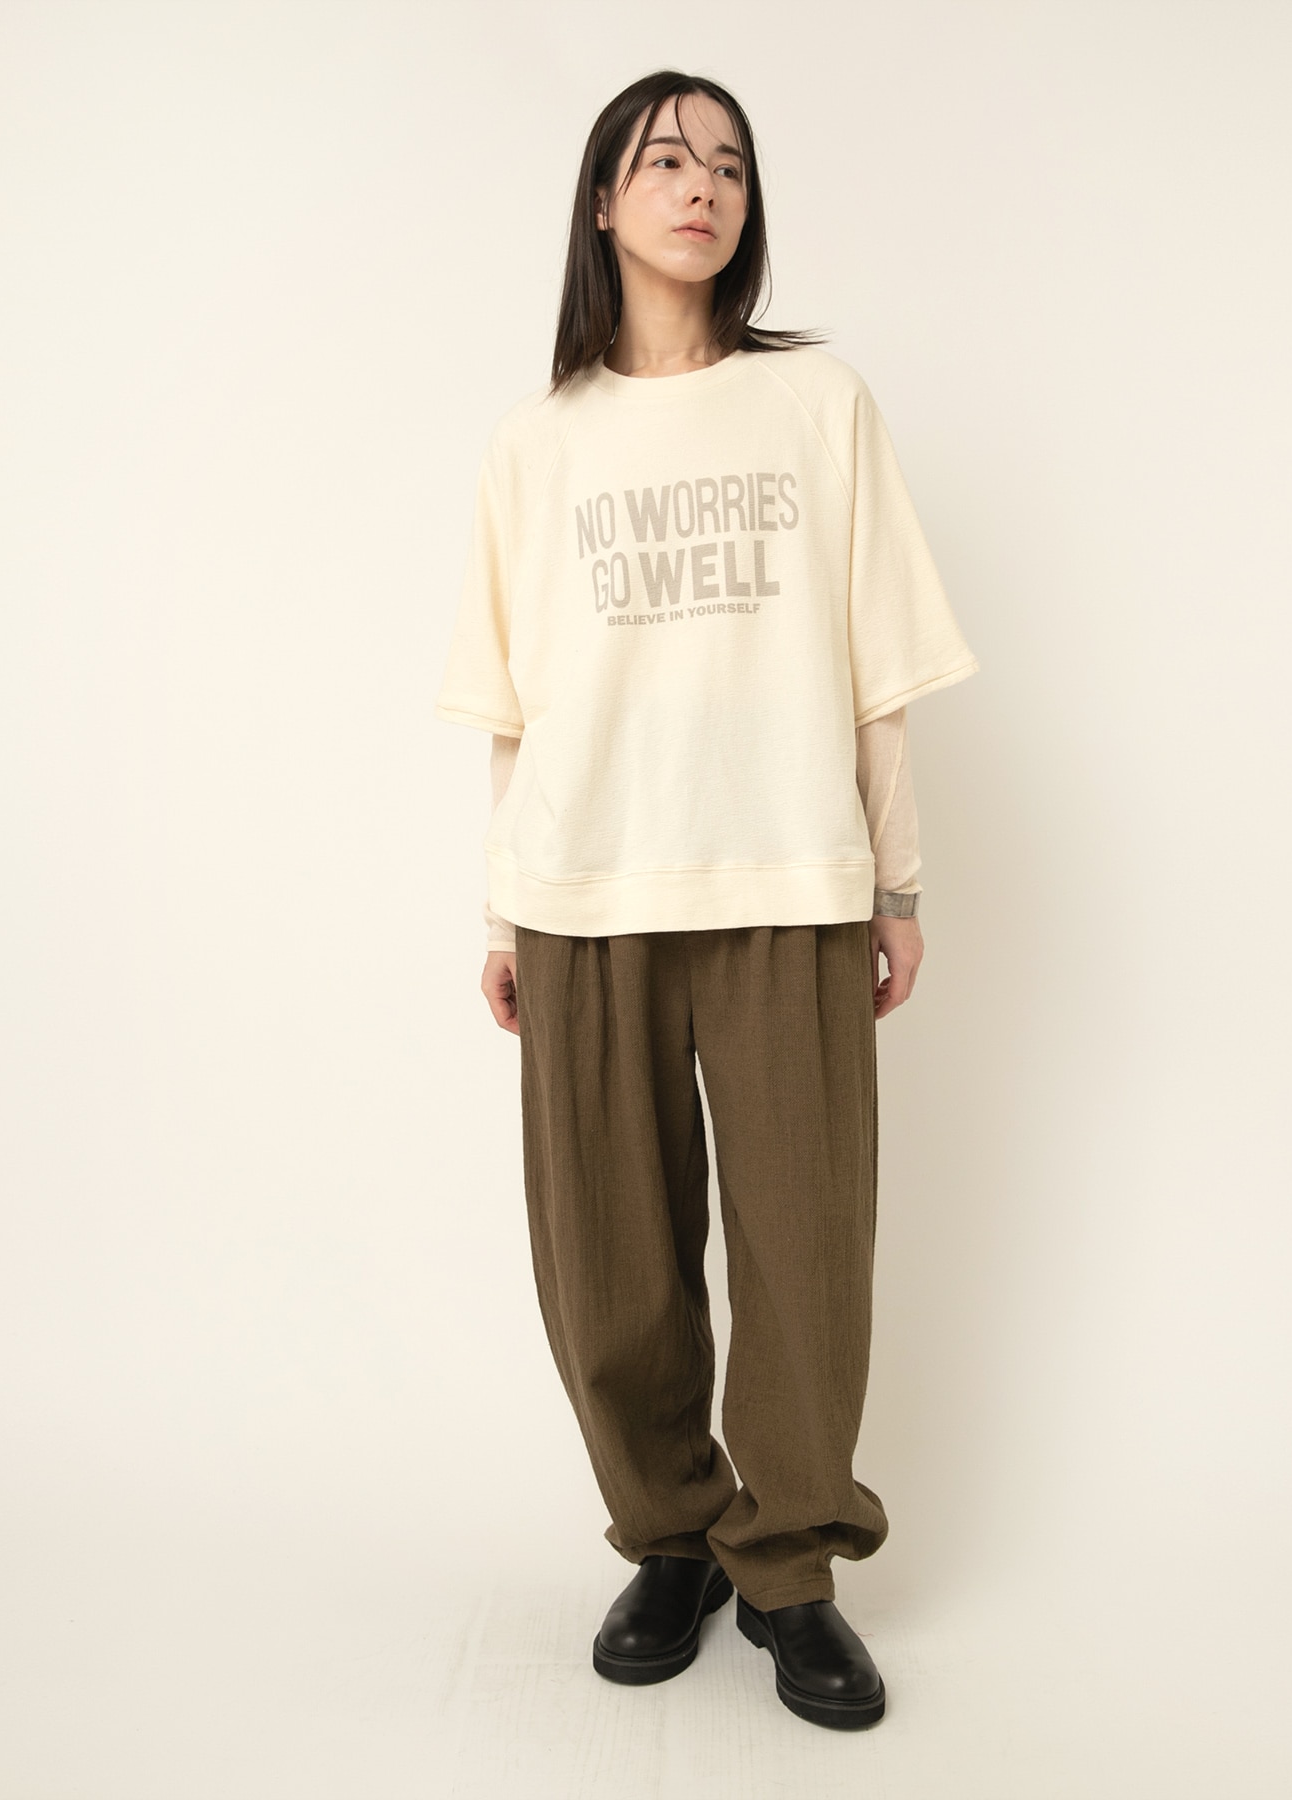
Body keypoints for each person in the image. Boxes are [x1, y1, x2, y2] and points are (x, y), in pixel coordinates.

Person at [434, 69, 978, 1732]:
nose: (701, 186)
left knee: (807, 1249)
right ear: (603, 202)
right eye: (664, 159)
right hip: (583, 886)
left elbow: (877, 671)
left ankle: (790, 1564)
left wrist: (897, 880)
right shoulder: (536, 442)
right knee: (607, 1258)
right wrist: (505, 915)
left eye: (729, 164)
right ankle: (671, 1535)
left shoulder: (818, 406)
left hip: (787, 871)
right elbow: (517, 713)